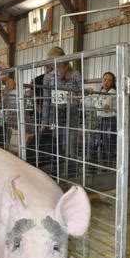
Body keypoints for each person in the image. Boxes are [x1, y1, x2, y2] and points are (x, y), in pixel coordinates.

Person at [41, 46, 81, 177]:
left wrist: (78, 96)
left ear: (62, 59)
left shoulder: (75, 74)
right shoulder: (48, 77)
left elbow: (82, 93)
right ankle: (55, 173)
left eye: (54, 60)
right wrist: (44, 121)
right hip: (55, 112)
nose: (51, 63)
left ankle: (71, 175)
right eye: (50, 60)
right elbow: (46, 100)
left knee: (71, 144)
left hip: (72, 112)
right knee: (56, 143)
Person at [85, 71, 117, 171]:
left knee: (108, 146)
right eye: (105, 79)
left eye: (109, 80)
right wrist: (91, 96)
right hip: (99, 120)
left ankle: (108, 169)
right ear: (102, 80)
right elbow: (87, 103)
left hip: (110, 121)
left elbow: (105, 107)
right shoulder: (99, 92)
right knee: (93, 143)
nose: (106, 82)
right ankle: (91, 168)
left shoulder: (113, 92)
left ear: (112, 83)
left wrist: (97, 103)